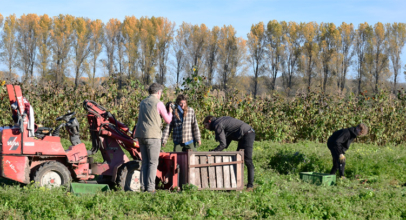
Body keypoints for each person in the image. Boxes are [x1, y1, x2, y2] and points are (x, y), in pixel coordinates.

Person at [134, 83, 173, 192]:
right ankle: (150, 188)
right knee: (153, 162)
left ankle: (143, 187)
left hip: (141, 135)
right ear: (159, 92)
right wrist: (170, 111)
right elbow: (168, 120)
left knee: (145, 162)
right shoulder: (158, 103)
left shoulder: (143, 102)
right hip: (153, 136)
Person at [203, 115, 255, 190]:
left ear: (209, 121)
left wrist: (213, 152)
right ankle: (237, 184)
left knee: (248, 160)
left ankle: (250, 186)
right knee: (238, 159)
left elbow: (223, 145)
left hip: (247, 134)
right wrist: (216, 150)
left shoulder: (217, 124)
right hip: (244, 135)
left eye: (206, 125)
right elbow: (226, 142)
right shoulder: (221, 121)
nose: (206, 128)